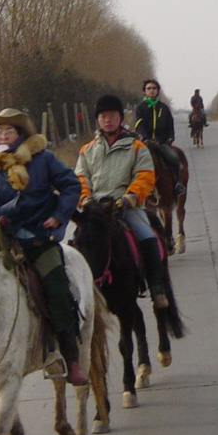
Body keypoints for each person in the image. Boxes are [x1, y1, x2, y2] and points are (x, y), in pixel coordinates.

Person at [0, 107, 88, 385]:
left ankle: (70, 358)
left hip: (39, 239)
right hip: (3, 242)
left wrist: (58, 216)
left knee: (59, 290)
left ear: (20, 134)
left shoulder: (43, 159)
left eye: (9, 130)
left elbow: (71, 185)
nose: (2, 134)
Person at [76, 94, 169, 309]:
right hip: (95, 207)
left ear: (120, 118)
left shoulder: (137, 147)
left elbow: (145, 175)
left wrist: (130, 198)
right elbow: (81, 177)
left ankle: (157, 288)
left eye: (112, 116)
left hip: (126, 205)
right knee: (77, 241)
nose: (107, 120)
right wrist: (85, 199)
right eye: (102, 116)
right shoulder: (87, 150)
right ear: (97, 120)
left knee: (147, 235)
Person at [133, 79, 186, 195]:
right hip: (144, 143)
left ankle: (176, 184)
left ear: (158, 91)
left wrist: (170, 137)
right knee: (130, 161)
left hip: (161, 142)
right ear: (144, 92)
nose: (152, 90)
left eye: (154, 88)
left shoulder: (164, 108)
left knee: (174, 158)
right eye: (149, 88)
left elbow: (169, 124)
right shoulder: (140, 108)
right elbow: (139, 125)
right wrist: (145, 138)